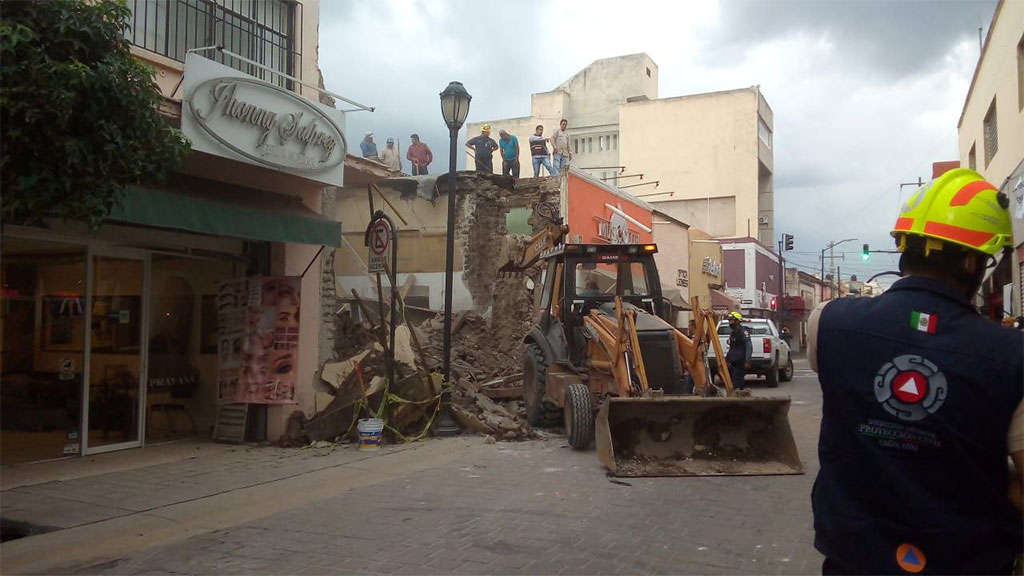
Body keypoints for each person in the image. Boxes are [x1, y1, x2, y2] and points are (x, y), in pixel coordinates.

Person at [808, 168, 1023, 575]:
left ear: (906, 247)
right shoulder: (1012, 357)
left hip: (852, 561)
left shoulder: (828, 324)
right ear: (970, 261)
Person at [724, 311, 751, 390]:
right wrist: (727, 360)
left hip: (740, 362)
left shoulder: (743, 332)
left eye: (732, 320)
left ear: (738, 321)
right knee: (733, 381)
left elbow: (748, 346)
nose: (730, 323)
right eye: (729, 321)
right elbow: (732, 347)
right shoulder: (733, 333)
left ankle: (739, 397)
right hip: (733, 362)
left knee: (738, 382)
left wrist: (747, 360)